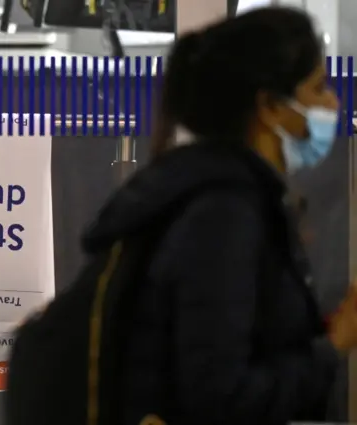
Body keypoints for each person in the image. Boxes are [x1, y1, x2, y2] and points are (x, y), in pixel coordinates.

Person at [78, 6, 357, 425]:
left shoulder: (209, 195)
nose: (333, 102)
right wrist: (333, 347)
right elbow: (221, 398)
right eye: (317, 89)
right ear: (269, 106)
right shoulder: (223, 215)